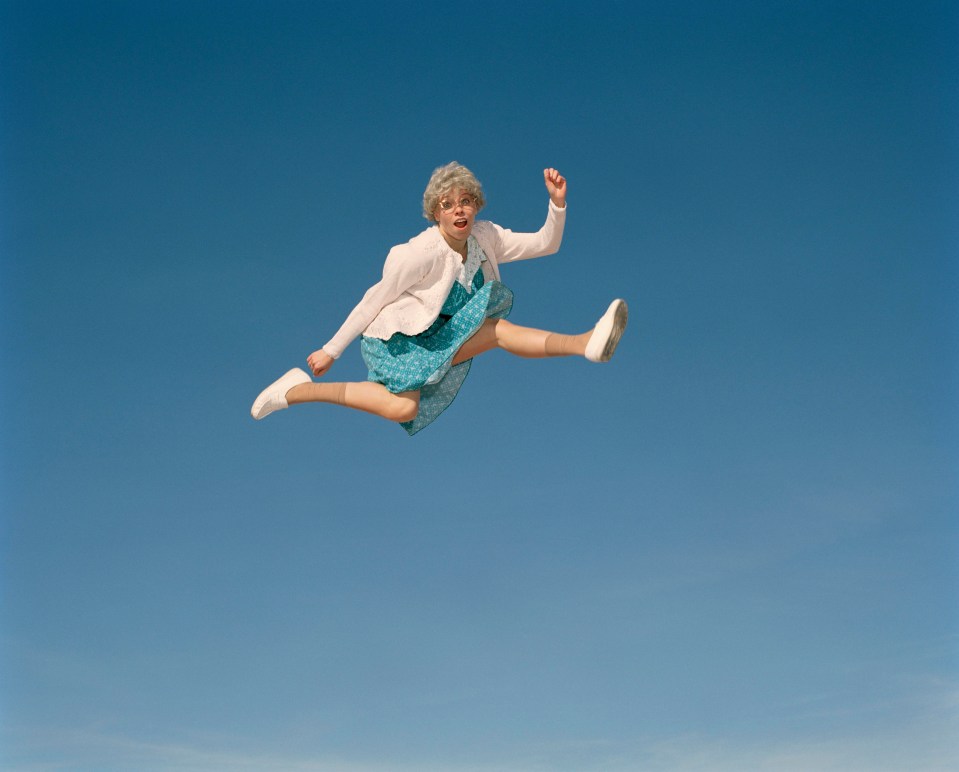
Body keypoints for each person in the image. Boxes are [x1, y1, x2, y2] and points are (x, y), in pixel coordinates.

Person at [251, 162, 627, 435]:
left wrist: (557, 204)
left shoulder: (485, 237)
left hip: (439, 337)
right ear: (436, 214)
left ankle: (584, 344)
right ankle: (295, 389)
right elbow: (373, 299)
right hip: (396, 342)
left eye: (465, 201)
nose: (458, 209)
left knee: (412, 399)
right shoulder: (418, 253)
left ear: (476, 205)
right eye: (447, 204)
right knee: (408, 401)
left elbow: (547, 244)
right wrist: (331, 350)